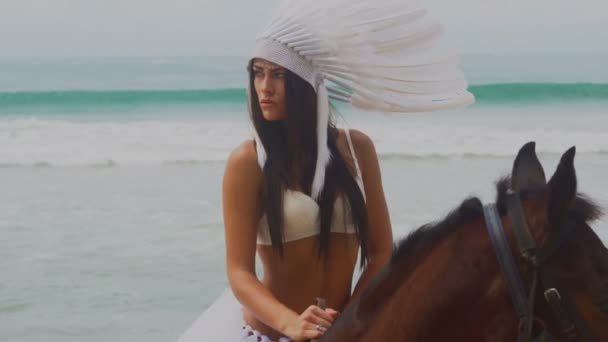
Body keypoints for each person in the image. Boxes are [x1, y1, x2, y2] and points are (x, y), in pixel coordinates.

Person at [177, 1, 474, 341]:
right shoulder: (248, 162)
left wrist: (351, 320)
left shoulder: (357, 150)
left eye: (278, 74)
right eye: (258, 73)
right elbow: (240, 272)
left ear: (307, 82)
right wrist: (291, 323)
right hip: (269, 335)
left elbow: (380, 252)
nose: (264, 87)